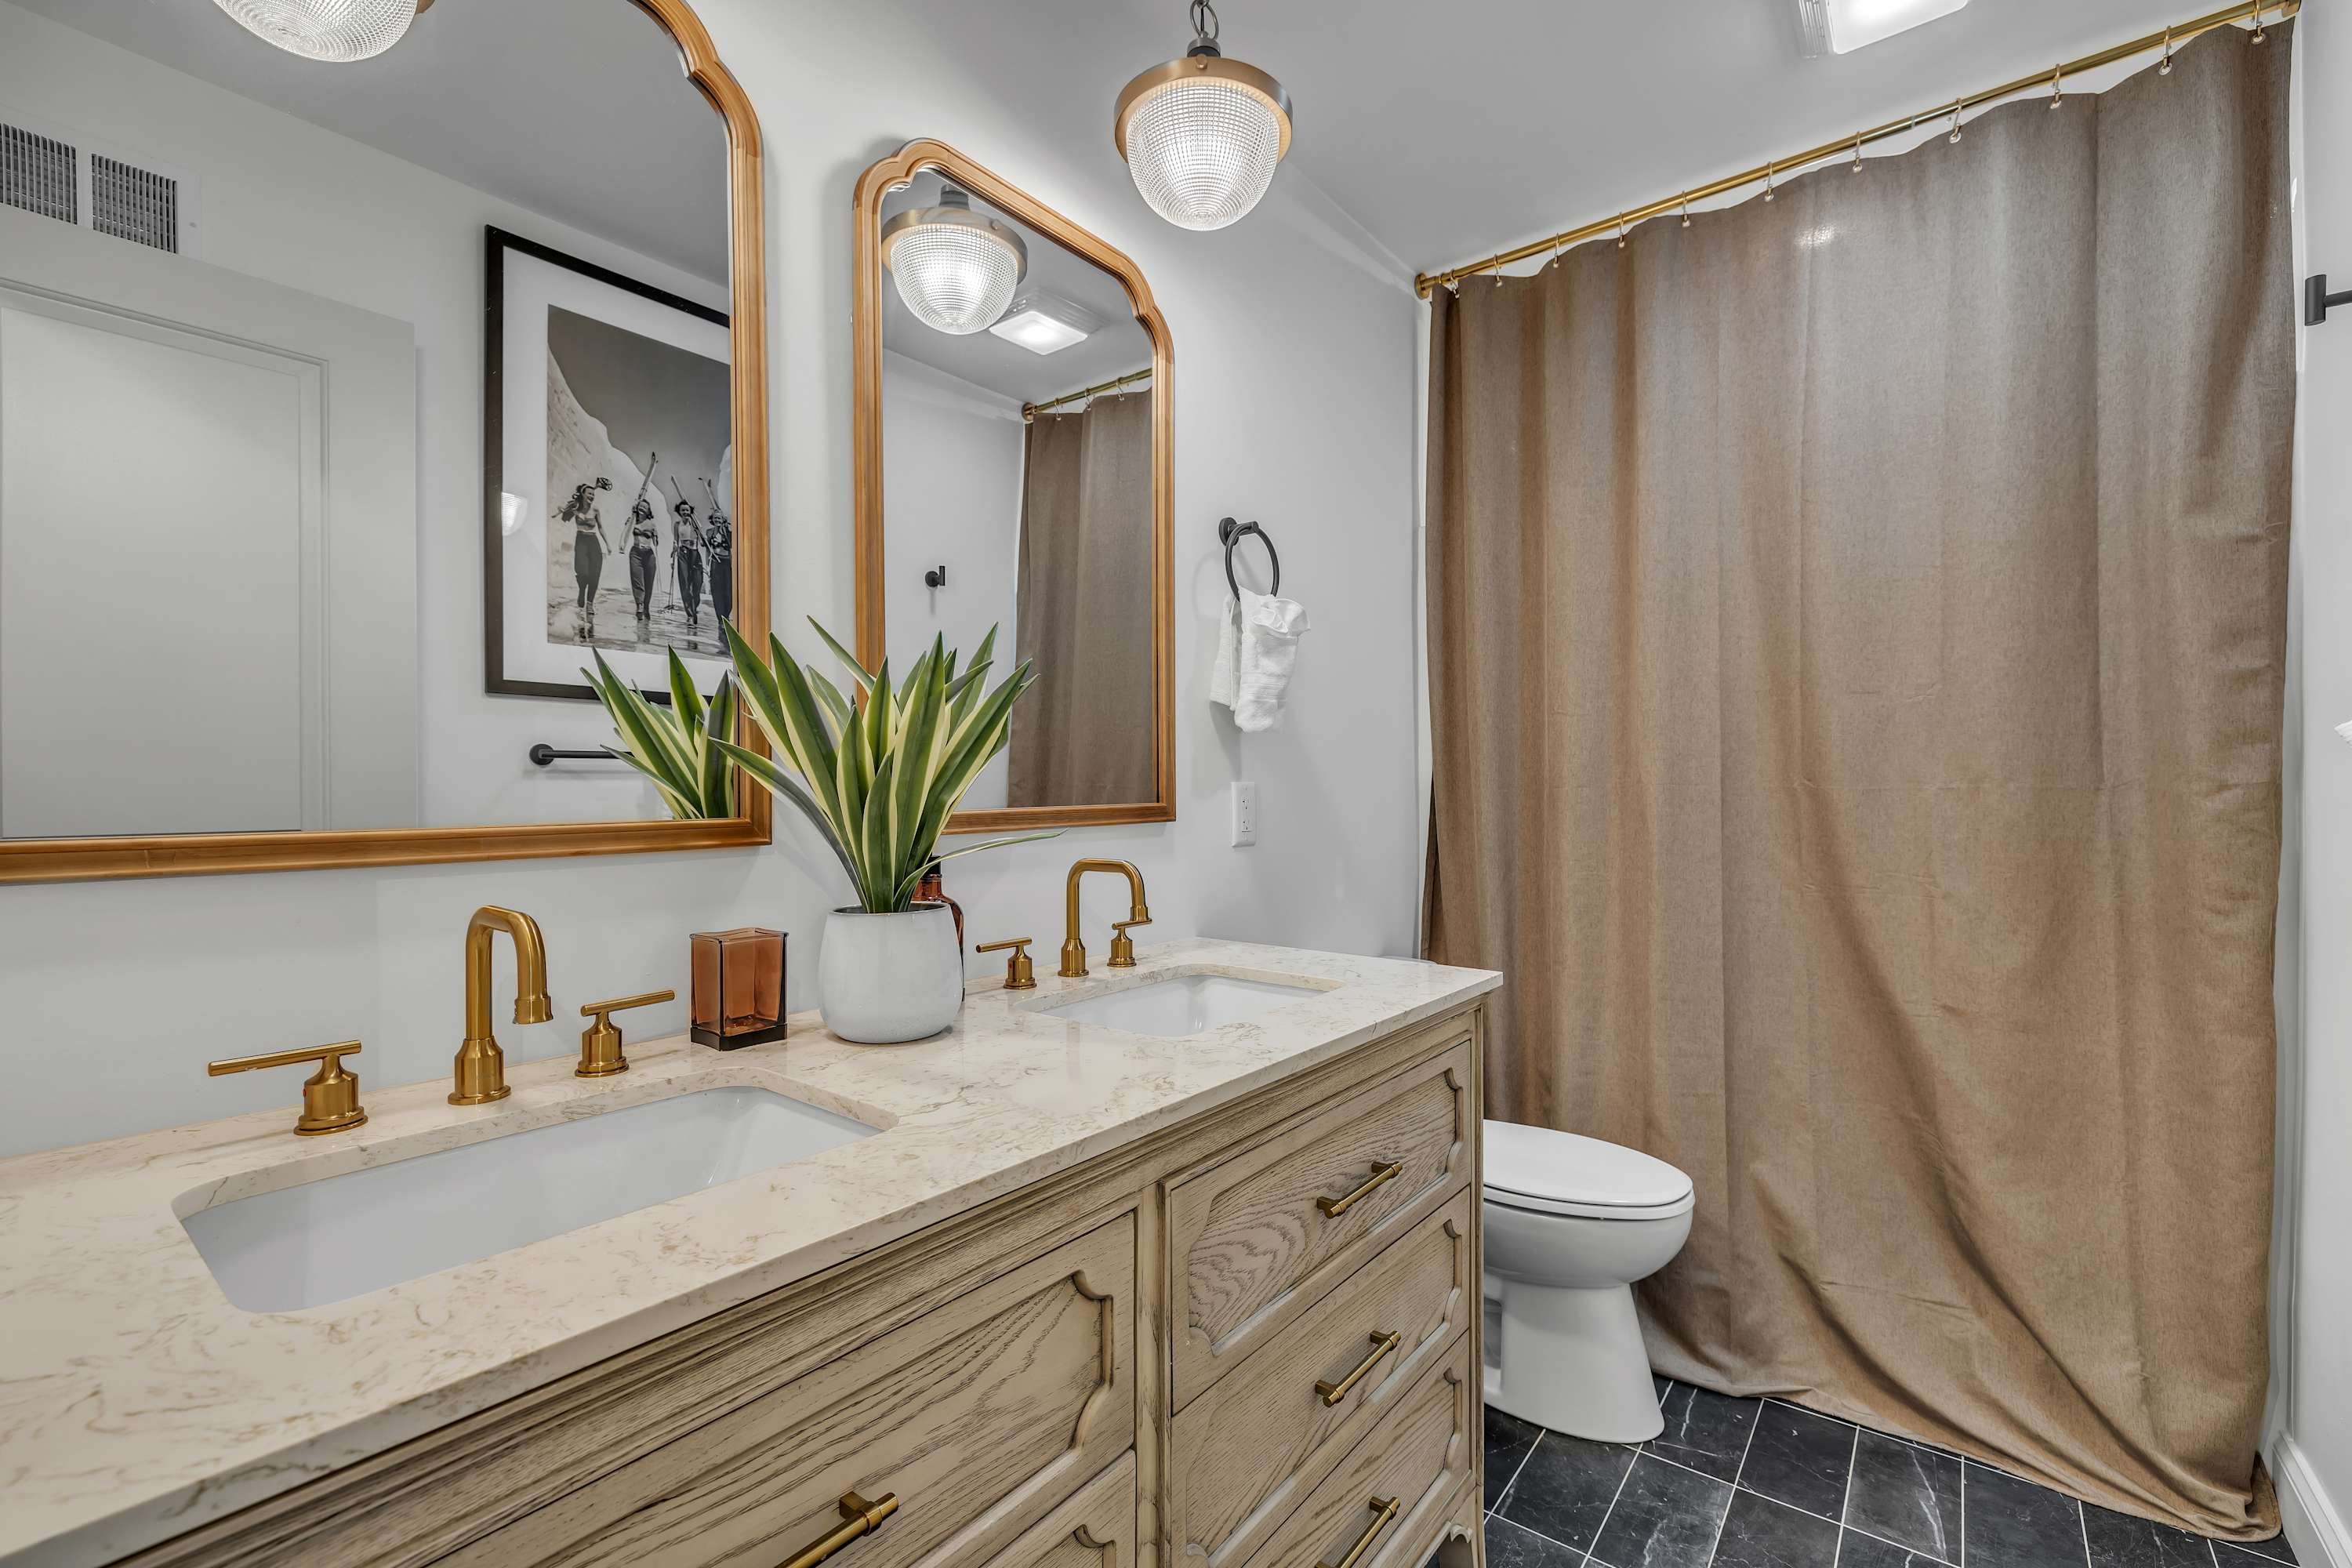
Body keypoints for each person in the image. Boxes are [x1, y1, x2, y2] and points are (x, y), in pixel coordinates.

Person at [558, 479, 614, 633]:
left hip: (594, 541)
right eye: (589, 494)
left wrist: (608, 544)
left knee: (595, 575)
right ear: (583, 495)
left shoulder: (595, 510)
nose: (591, 496)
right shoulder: (576, 507)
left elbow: (601, 527)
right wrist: (567, 510)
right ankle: (582, 590)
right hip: (581, 540)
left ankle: (590, 603)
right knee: (583, 571)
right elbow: (564, 518)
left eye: (593, 494)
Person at [670, 497, 706, 630]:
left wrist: (700, 532)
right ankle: (690, 615)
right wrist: (673, 551)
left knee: (697, 584)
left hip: (695, 554)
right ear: (679, 512)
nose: (685, 512)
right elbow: (676, 541)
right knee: (685, 584)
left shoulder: (695, 523)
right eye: (682, 510)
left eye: (687, 510)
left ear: (690, 511)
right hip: (683, 554)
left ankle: (694, 606)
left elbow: (703, 541)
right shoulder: (677, 524)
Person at [627, 495, 661, 630]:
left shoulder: (652, 524)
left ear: (648, 511)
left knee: (649, 584)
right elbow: (626, 532)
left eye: (645, 508)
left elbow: (656, 543)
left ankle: (646, 605)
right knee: (637, 581)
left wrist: (656, 535)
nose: (642, 509)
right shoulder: (632, 521)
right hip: (636, 553)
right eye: (641, 506)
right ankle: (639, 606)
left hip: (649, 555)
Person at [702, 483, 733, 626]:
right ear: (712, 519)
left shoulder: (728, 533)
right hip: (715, 562)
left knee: (729, 592)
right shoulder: (709, 533)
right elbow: (707, 549)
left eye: (720, 518)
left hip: (727, 563)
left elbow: (735, 546)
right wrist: (707, 566)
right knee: (717, 592)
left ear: (723, 519)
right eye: (715, 518)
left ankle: (726, 614)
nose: (717, 520)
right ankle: (721, 619)